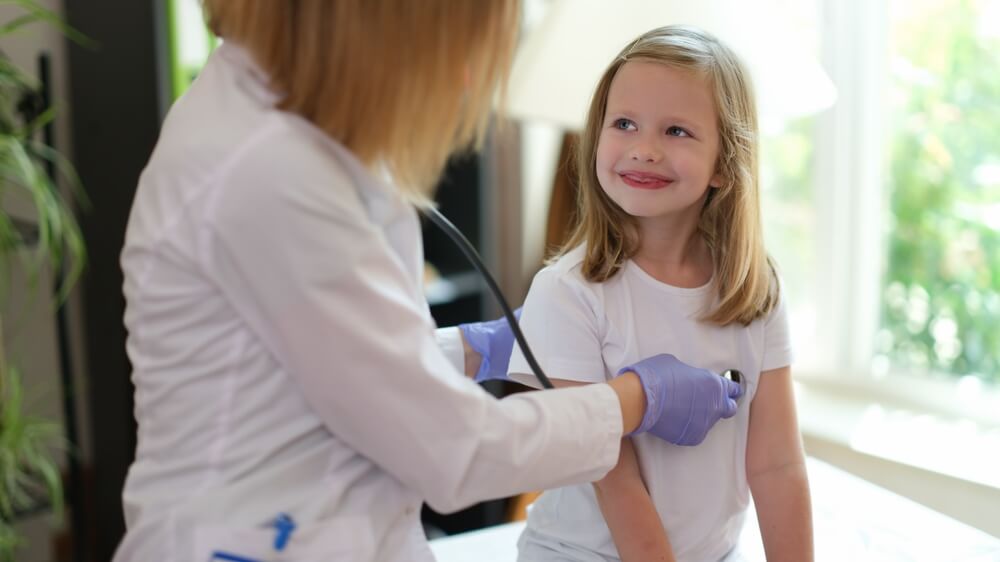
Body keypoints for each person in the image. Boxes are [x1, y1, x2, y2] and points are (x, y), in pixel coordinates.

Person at [112, 4, 743, 562]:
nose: (465, 82)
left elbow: (329, 364)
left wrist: (471, 347)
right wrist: (635, 398)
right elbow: (453, 450)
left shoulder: (305, 133)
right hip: (256, 539)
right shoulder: (267, 170)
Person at [509, 25, 813, 562]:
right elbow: (617, 487)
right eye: (624, 123)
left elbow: (777, 466)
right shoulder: (568, 293)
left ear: (724, 163)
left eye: (676, 131)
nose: (643, 150)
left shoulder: (755, 290)